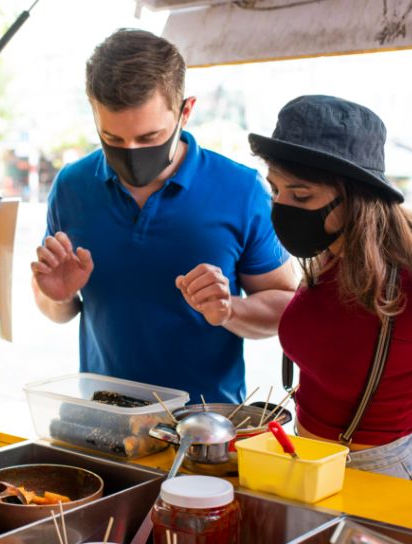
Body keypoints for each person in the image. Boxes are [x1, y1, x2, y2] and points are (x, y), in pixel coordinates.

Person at [30, 29, 296, 404]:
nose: (131, 152)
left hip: (203, 430)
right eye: (113, 139)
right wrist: (57, 296)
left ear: (185, 112)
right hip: (102, 420)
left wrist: (228, 309)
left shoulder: (240, 189)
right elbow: (56, 308)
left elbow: (286, 304)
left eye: (149, 137)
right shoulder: (72, 186)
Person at [249, 95, 412, 485]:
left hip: (390, 475)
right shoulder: (329, 252)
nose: (281, 208)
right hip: (311, 461)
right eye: (275, 189)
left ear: (357, 197)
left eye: (301, 196)